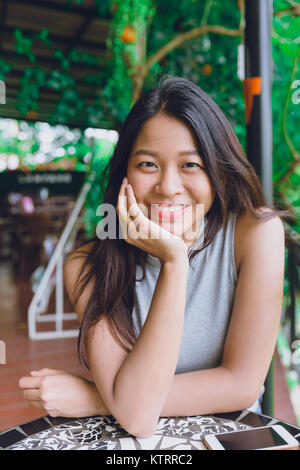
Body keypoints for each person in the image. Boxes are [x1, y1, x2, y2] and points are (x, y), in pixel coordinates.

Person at [19, 76, 288, 438]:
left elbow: (241, 385)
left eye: (191, 165)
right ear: (124, 173)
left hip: (229, 437)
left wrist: (99, 398)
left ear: (217, 169)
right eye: (148, 165)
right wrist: (174, 263)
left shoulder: (255, 234)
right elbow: (137, 420)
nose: (169, 187)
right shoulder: (87, 266)